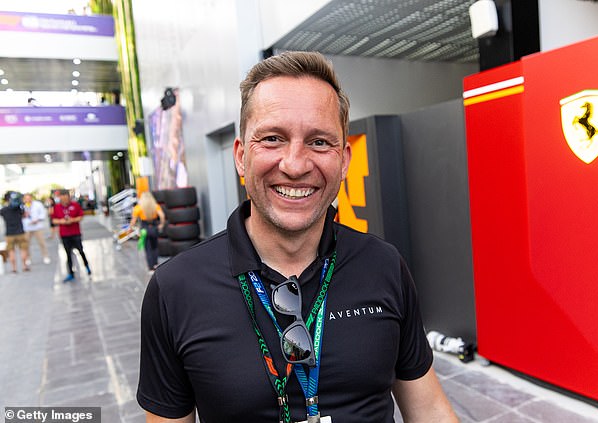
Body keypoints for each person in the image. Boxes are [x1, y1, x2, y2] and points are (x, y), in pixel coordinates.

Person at [137, 51, 458, 422]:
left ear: (344, 161)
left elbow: (430, 409)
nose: (295, 164)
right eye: (273, 138)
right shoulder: (176, 288)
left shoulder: (384, 265)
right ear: (241, 157)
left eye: (319, 142)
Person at [51, 190, 91, 282]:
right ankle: (70, 273)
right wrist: (62, 221)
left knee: (81, 251)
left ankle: (87, 267)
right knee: (68, 254)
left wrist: (72, 220)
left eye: (66, 198)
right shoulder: (57, 207)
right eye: (62, 198)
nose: (64, 200)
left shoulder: (75, 205)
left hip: (75, 233)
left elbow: (81, 216)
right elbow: (54, 220)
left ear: (69, 197)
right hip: (64, 234)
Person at [129, 191, 166, 272]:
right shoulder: (155, 206)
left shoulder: (138, 207)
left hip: (144, 229)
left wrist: (131, 228)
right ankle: (156, 264)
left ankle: (150, 267)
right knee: (155, 247)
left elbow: (133, 221)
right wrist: (161, 224)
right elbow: (162, 215)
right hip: (154, 227)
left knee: (148, 248)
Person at [1, 191, 30, 273]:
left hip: (9, 233)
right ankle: (24, 266)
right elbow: (25, 215)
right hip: (20, 232)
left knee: (11, 251)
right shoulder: (19, 209)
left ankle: (14, 268)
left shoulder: (4, 210)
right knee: (23, 249)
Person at [22, 193, 51, 264]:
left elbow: (43, 214)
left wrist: (37, 220)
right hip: (27, 228)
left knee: (41, 242)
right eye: (26, 198)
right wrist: (24, 215)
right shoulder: (22, 206)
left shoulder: (38, 204)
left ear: (31, 198)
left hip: (37, 226)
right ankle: (28, 258)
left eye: (29, 198)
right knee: (26, 244)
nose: (27, 200)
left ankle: (45, 256)